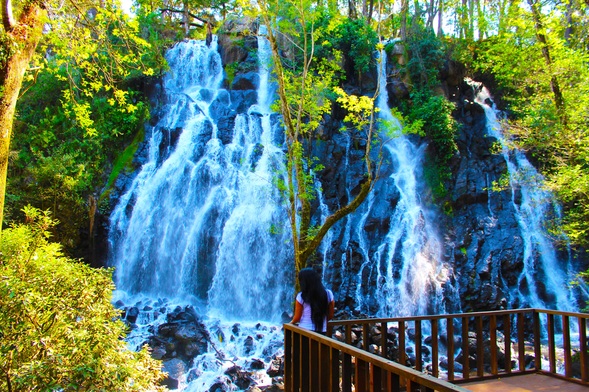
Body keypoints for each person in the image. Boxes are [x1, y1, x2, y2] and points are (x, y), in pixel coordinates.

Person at [290, 268, 335, 334]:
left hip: (304, 330)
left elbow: (297, 318)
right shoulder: (328, 293)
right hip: (321, 331)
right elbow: (330, 315)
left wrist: (291, 323)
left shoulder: (301, 296)